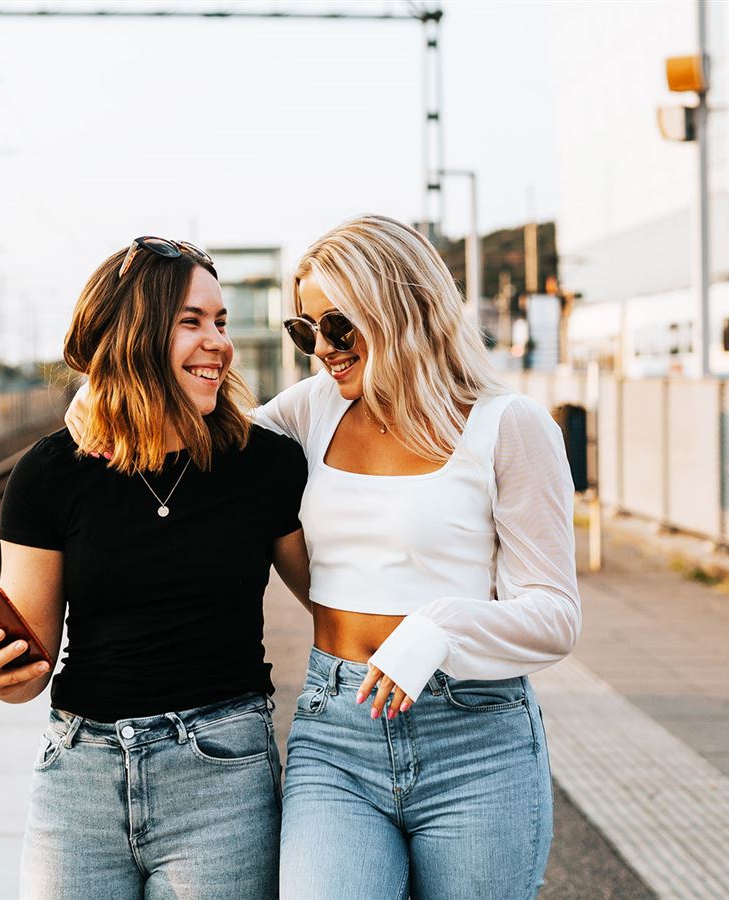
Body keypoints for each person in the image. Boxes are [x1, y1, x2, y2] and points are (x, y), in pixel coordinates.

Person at [66, 215, 581, 899]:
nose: (323, 351)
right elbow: (188, 426)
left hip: (476, 737)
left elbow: (553, 615)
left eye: (339, 328)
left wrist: (438, 628)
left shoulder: (508, 425)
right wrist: (94, 398)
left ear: (406, 308)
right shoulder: (310, 414)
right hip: (337, 734)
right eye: (305, 332)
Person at [0, 236, 309, 900]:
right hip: (79, 780)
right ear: (136, 333)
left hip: (221, 779)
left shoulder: (265, 465)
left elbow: (341, 600)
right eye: (192, 321)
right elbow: (26, 670)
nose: (219, 343)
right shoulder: (48, 473)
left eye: (221, 321)